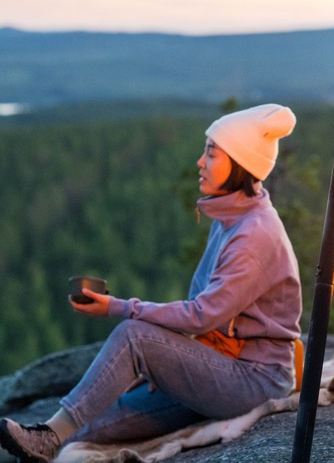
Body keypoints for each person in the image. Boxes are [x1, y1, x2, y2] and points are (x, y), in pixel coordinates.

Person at [0, 104, 302, 462]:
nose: (200, 163)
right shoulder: (232, 220)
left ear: (241, 164)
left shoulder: (254, 235)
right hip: (223, 370)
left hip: (252, 380)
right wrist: (174, 364)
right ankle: (50, 439)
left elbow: (203, 315)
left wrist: (120, 307)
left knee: (134, 335)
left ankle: (50, 436)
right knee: (90, 426)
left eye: (210, 152)